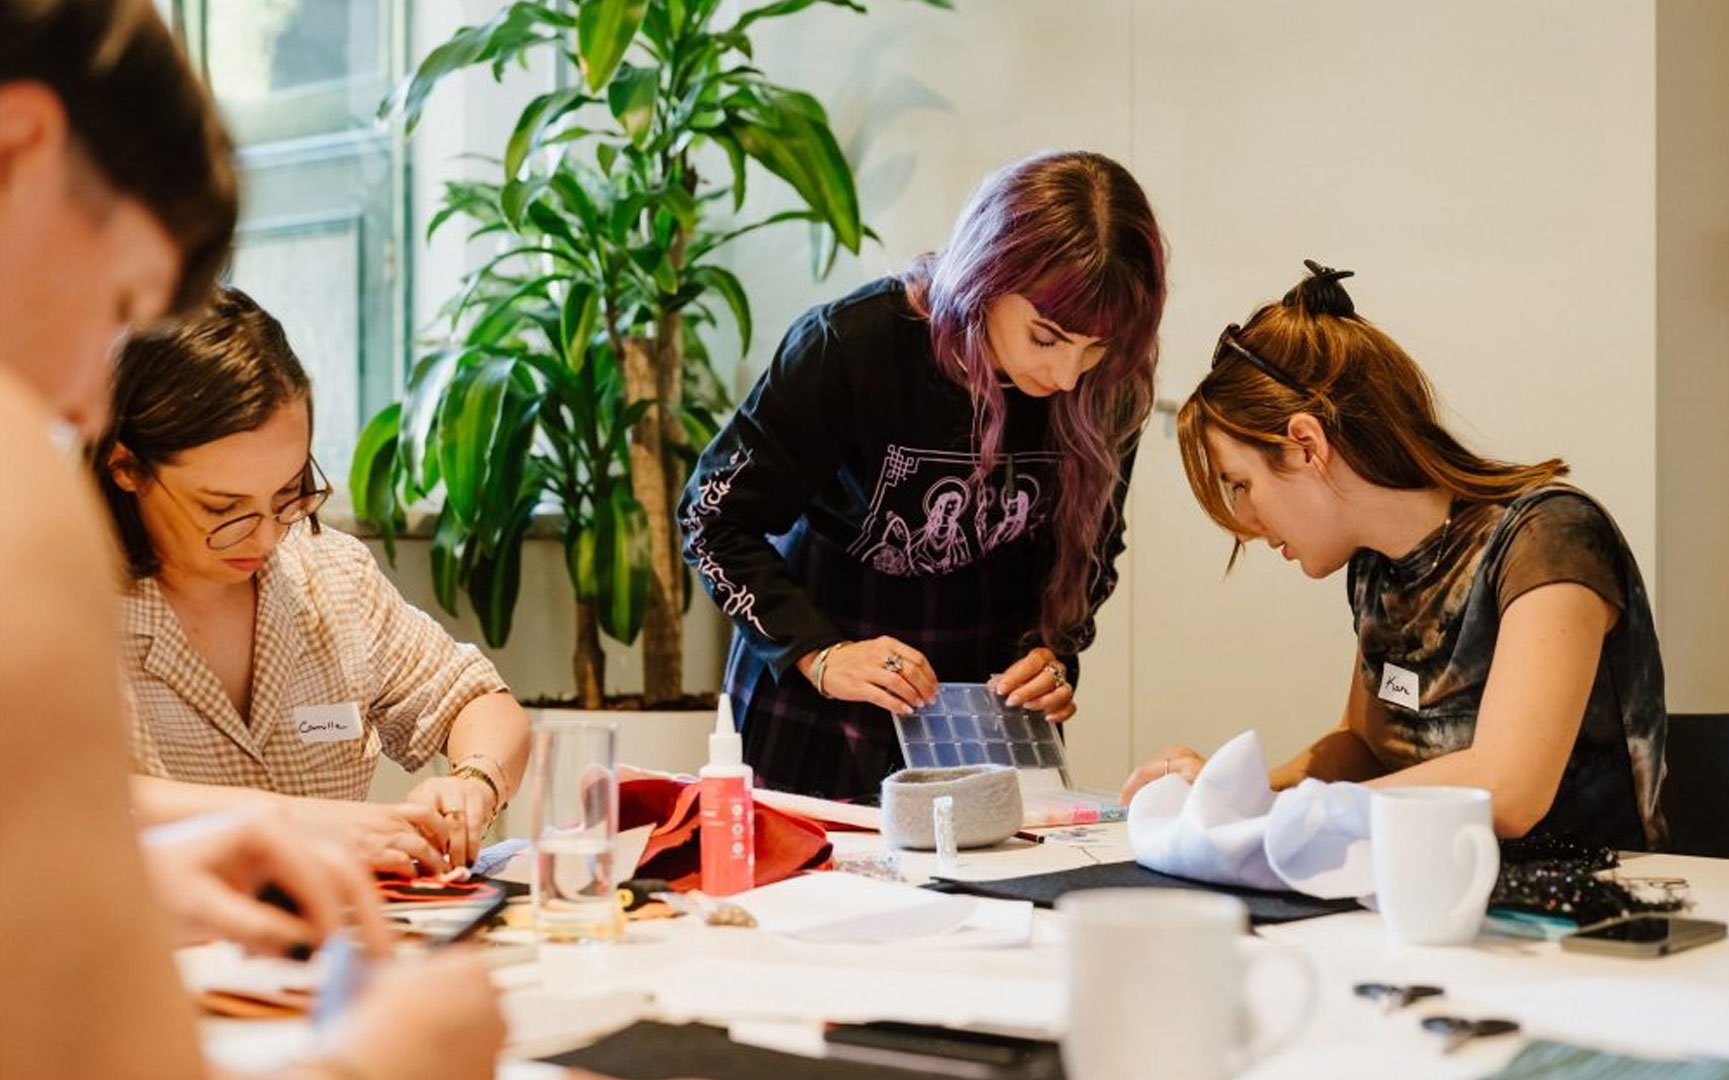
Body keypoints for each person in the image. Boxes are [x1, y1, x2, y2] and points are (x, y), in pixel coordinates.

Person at [0, 2, 509, 1076]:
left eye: (286, 496)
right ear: (20, 149)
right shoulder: (25, 499)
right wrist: (389, 1059)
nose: (87, 409)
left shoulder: (327, 579)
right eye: (122, 302)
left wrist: (150, 883)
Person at [1121, 260, 1665, 851]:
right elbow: (1365, 747)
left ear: (1307, 445)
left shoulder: (1546, 535)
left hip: (1591, 911)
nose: (1247, 523)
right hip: (1436, 887)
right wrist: (1236, 791)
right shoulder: (1376, 569)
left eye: (1241, 484)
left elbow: (1508, 792)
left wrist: (1293, 811)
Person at [680, 150, 1167, 798]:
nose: (1065, 377)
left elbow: (1093, 547)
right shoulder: (855, 345)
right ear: (986, 276)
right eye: (1045, 337)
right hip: (820, 689)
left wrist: (1052, 655)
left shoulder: (1109, 385)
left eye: (1096, 349)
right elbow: (710, 517)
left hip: (983, 714)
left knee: (998, 897)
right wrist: (818, 654)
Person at [98, 285, 532, 873]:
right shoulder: (62, 602)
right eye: (223, 509)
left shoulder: (330, 576)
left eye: (287, 493)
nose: (266, 538)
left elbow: (475, 700)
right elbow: (61, 796)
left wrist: (474, 783)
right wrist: (304, 826)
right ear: (126, 467)